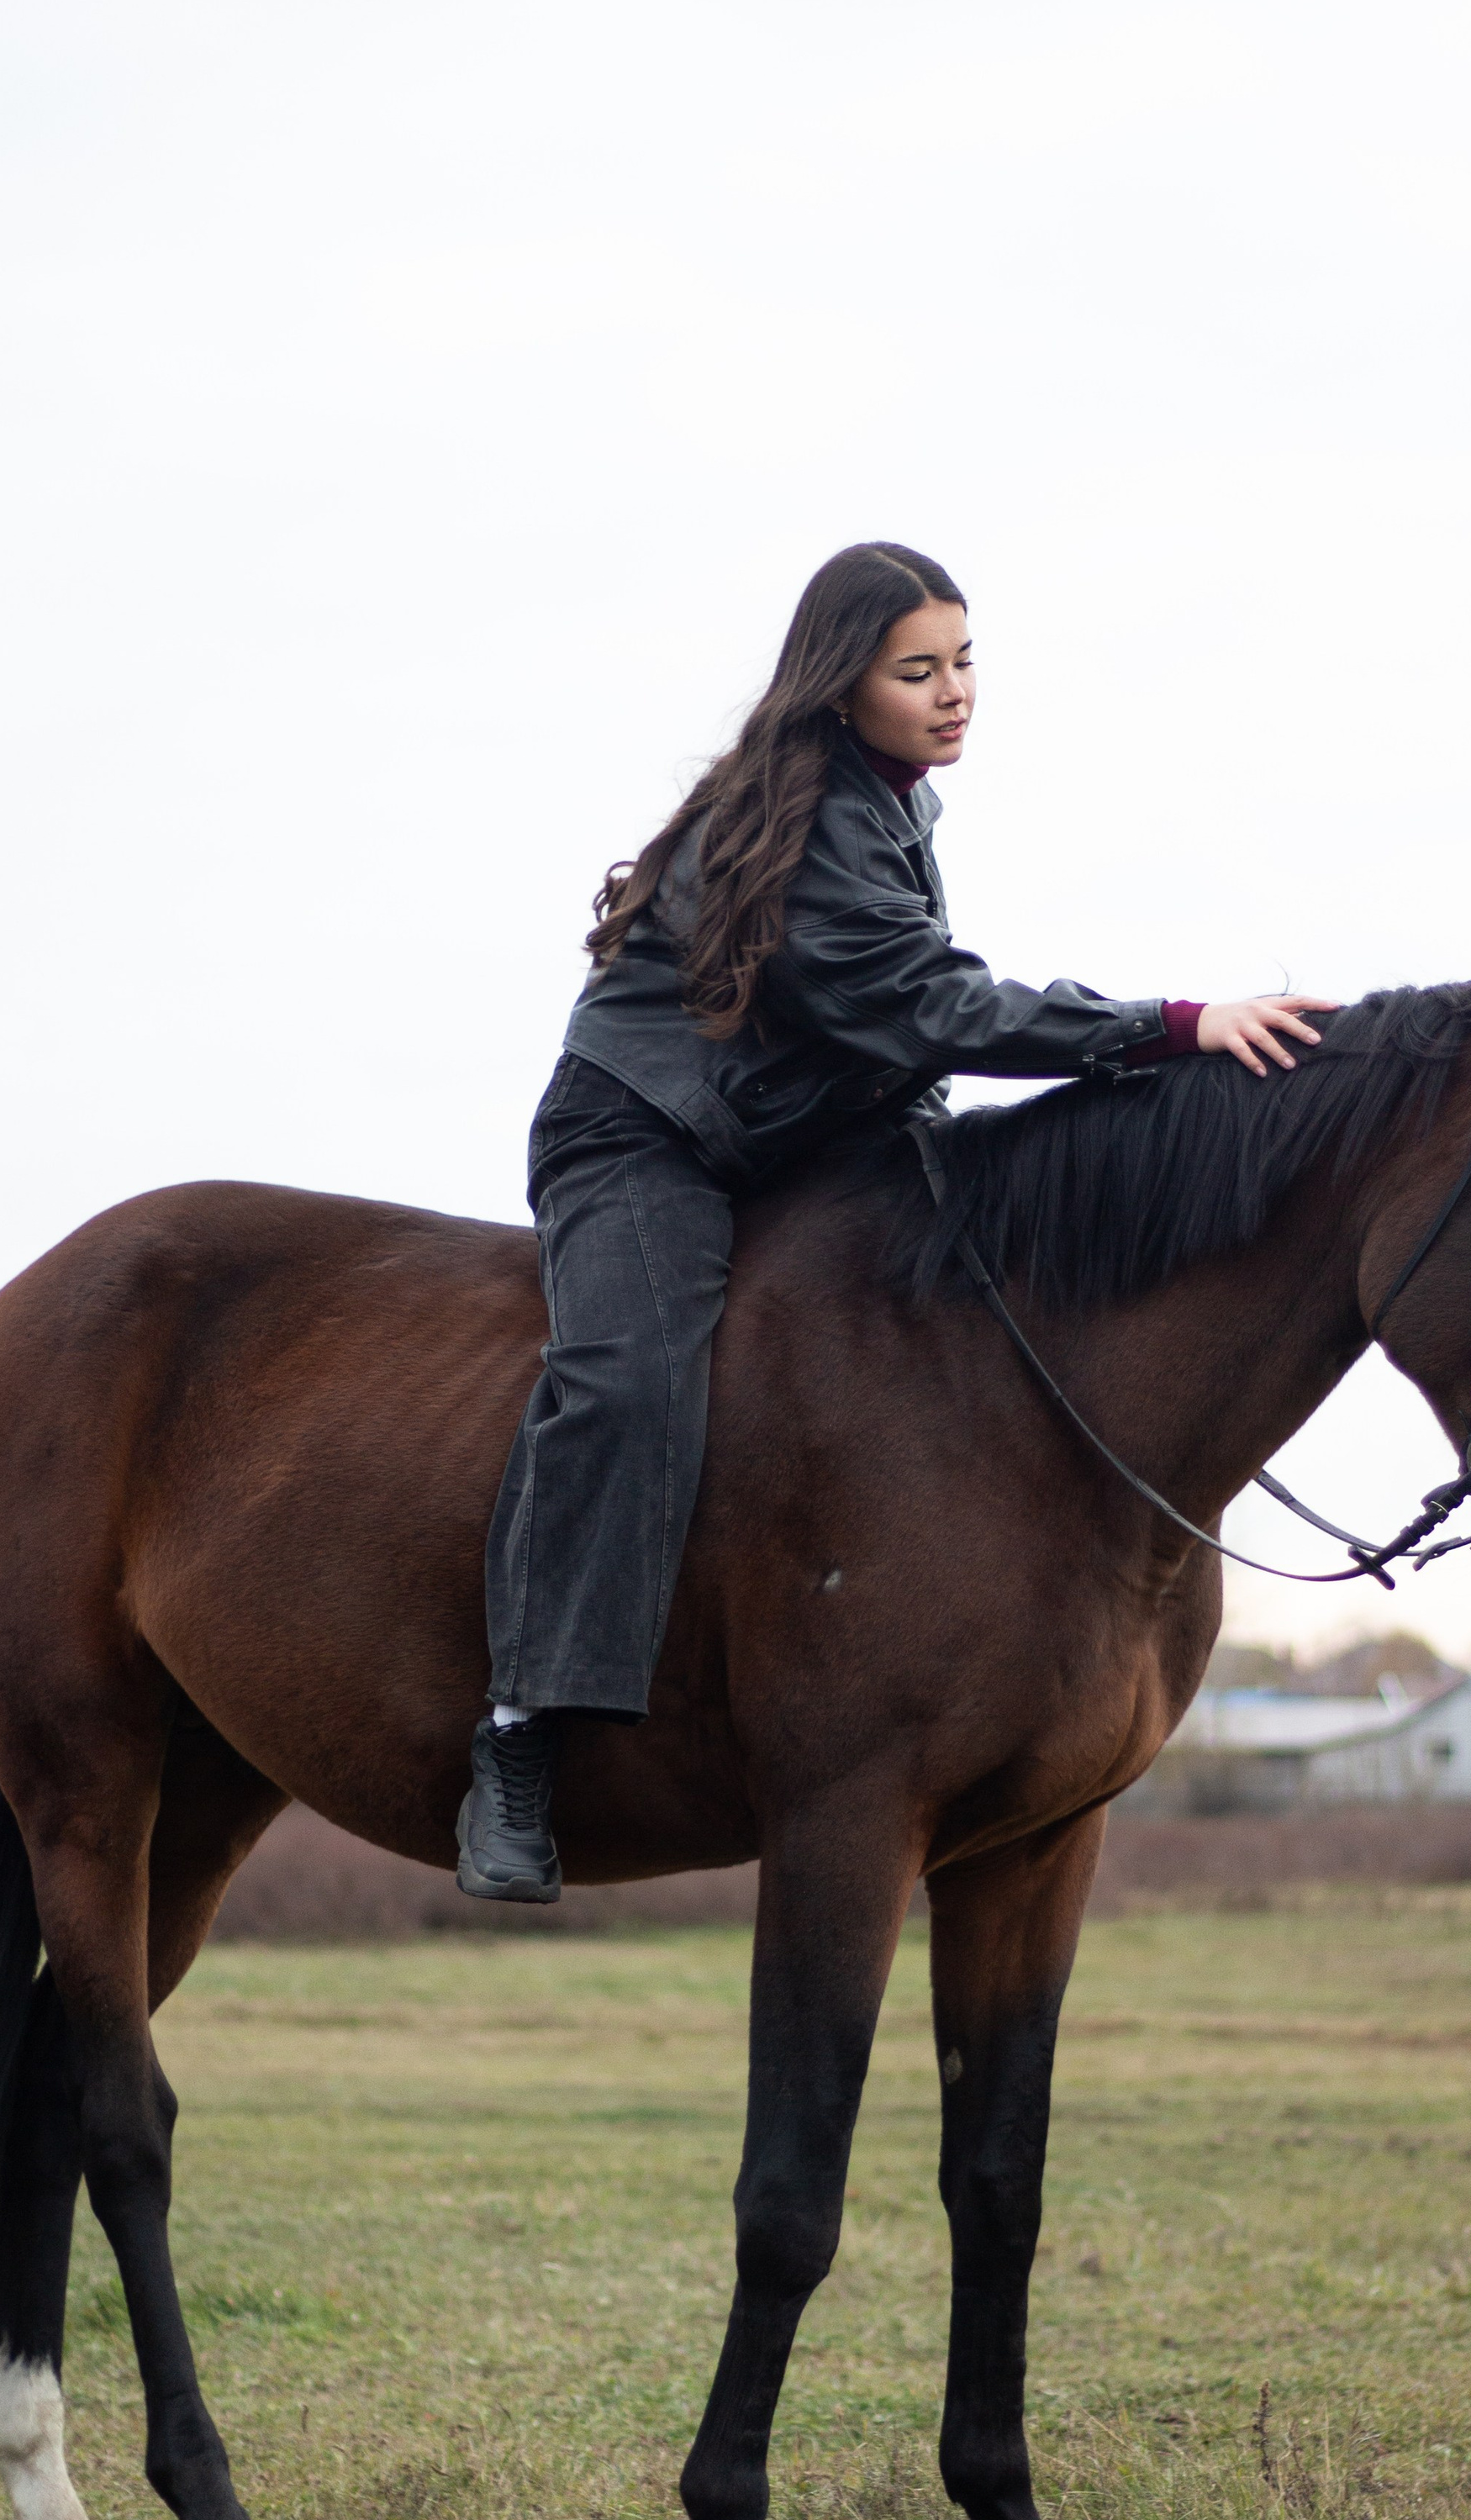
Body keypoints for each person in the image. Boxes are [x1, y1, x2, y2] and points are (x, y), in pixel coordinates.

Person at [460, 541, 1336, 1900]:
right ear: (840, 685)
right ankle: (520, 1734)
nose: (955, 693)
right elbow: (940, 1008)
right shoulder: (808, 819)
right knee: (629, 1380)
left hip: (799, 1132)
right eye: (917, 669)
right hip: (646, 1134)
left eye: (966, 661)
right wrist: (1174, 1029)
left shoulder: (896, 806)